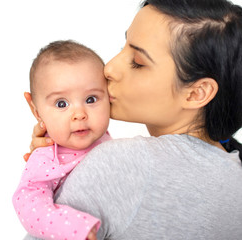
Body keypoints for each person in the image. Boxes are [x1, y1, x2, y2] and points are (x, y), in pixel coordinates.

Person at [23, 0, 242, 239]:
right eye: (122, 46)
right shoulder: (234, 174)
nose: (109, 68)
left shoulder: (124, 163)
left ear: (196, 93)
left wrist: (50, 177)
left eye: (138, 62)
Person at [13, 40, 111, 240]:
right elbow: (27, 201)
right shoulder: (47, 157)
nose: (79, 114)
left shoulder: (108, 142)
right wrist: (73, 228)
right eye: (61, 103)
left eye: (91, 99)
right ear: (36, 111)